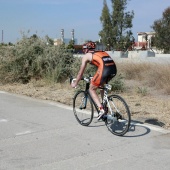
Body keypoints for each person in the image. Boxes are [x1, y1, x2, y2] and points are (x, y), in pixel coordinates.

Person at [71, 41, 117, 120]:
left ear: (86, 49)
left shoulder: (87, 56)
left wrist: (75, 83)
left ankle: (101, 109)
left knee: (91, 89)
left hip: (104, 69)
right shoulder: (101, 52)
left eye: (83, 50)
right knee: (101, 85)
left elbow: (80, 73)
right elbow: (101, 64)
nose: (83, 52)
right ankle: (104, 106)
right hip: (113, 69)